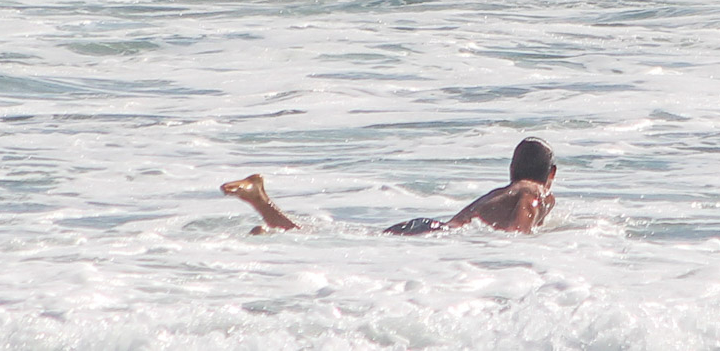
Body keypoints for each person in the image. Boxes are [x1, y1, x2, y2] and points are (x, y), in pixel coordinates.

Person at [220, 137, 557, 236]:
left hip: (432, 226)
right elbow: (518, 231)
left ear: (511, 168)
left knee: (338, 236)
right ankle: (266, 211)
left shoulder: (509, 190)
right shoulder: (535, 191)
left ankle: (266, 212)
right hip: (436, 234)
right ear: (551, 173)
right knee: (333, 240)